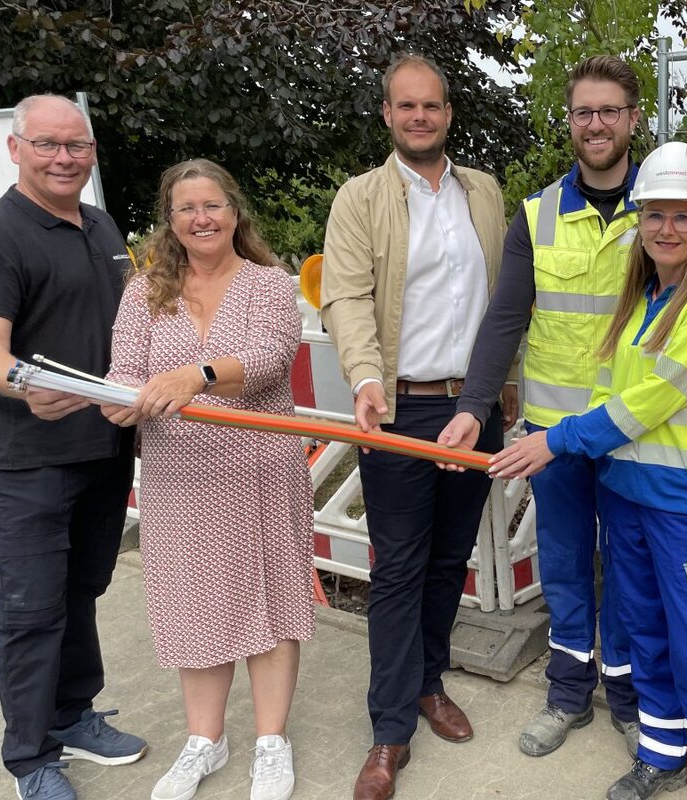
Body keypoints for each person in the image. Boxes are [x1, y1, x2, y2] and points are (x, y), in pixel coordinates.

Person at [490, 141, 687, 800]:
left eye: (682, 216)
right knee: (647, 637)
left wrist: (557, 440)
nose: (666, 229)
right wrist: (563, 438)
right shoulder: (642, 299)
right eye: (655, 215)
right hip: (628, 498)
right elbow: (609, 394)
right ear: (639, 221)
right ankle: (663, 756)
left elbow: (650, 401)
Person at [318, 53, 512, 800]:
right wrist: (366, 378)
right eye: (407, 106)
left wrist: (498, 394)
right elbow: (345, 297)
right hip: (401, 405)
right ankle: (390, 728)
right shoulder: (360, 198)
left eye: (431, 105)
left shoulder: (483, 192)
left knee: (448, 557)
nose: (420, 117)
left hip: (475, 405)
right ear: (388, 115)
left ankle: (430, 682)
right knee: (399, 567)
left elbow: (504, 301)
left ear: (448, 114)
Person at [437, 54, 642, 759]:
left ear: (633, 118)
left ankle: (629, 697)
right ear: (571, 121)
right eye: (584, 111)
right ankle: (567, 694)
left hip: (635, 430)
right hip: (554, 434)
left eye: (609, 110)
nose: (596, 123)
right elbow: (504, 318)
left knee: (629, 567)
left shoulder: (664, 206)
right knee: (564, 564)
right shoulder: (538, 212)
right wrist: (473, 406)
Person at [0, 94, 147, 800]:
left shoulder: (100, 225)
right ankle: (31, 759)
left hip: (102, 449)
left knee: (82, 589)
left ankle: (72, 715)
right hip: (25, 461)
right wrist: (21, 384)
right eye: (47, 145)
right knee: (31, 609)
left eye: (77, 145)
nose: (64, 158)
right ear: (16, 149)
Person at [100, 158, 315, 800]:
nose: (201, 218)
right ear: (170, 221)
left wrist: (197, 375)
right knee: (193, 605)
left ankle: (271, 742)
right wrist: (117, 400)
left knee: (273, 602)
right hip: (180, 478)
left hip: (261, 470)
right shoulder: (144, 292)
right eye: (187, 208)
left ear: (234, 212)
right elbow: (124, 371)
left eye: (212, 205)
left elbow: (270, 358)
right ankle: (205, 740)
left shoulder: (268, 284)